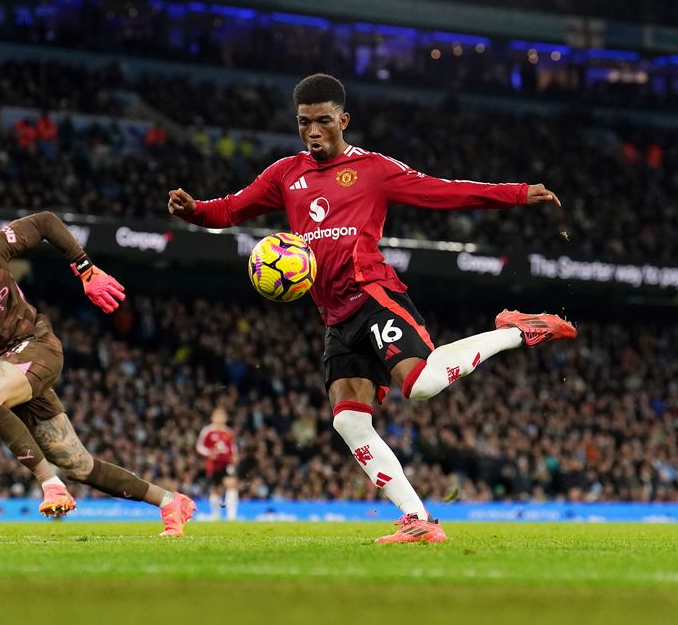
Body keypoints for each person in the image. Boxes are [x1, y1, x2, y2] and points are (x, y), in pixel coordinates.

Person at [168, 73, 577, 544]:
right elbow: (233, 208)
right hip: (335, 317)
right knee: (348, 420)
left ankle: (516, 329)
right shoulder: (286, 174)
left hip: (374, 295)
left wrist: (517, 192)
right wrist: (195, 210)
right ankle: (417, 519)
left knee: (420, 386)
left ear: (343, 120)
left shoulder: (374, 170)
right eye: (304, 123)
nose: (313, 131)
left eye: (323, 121)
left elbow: (443, 191)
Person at [0, 203, 196, 536]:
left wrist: (86, 269)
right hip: (6, 370)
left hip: (37, 345)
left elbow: (46, 222)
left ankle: (49, 484)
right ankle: (170, 502)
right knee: (79, 464)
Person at [195, 407, 239, 521]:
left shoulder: (228, 432)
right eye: (217, 416)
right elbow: (199, 446)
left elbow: (233, 448)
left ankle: (231, 517)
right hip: (214, 465)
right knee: (216, 491)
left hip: (226, 464)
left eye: (222, 416)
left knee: (232, 484)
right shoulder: (207, 431)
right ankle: (216, 516)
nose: (220, 418)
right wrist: (209, 453)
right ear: (212, 418)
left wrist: (235, 456)